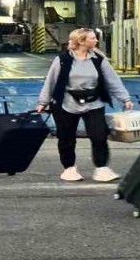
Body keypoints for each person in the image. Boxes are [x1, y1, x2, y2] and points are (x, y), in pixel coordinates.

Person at [36, 28, 134, 183]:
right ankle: (69, 168)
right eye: (93, 38)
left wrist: (125, 99)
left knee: (99, 135)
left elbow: (112, 80)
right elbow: (51, 81)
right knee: (66, 137)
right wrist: (43, 102)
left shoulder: (99, 59)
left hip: (94, 102)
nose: (96, 41)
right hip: (67, 103)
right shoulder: (62, 60)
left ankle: (101, 168)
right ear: (81, 41)